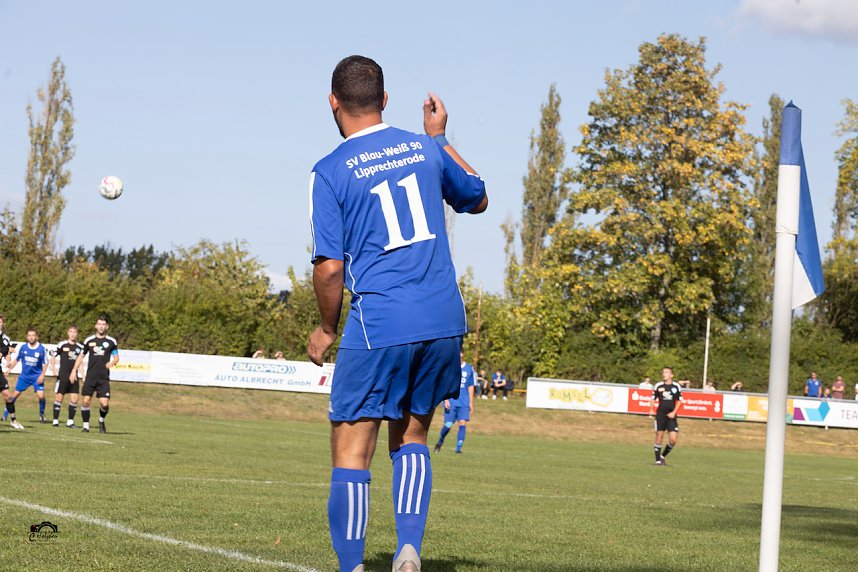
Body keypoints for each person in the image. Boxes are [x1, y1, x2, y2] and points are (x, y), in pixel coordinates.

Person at [305, 56, 487, 572]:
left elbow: (329, 269)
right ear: (385, 100)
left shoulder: (330, 171)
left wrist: (325, 328)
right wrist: (440, 136)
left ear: (333, 101)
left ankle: (352, 566)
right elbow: (477, 194)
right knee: (411, 436)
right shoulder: (425, 148)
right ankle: (408, 550)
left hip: (379, 322)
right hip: (442, 319)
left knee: (352, 445)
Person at [70, 316, 119, 434]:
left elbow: (117, 357)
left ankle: (101, 420)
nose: (101, 326)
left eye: (103, 324)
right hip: (91, 376)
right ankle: (85, 426)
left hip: (103, 378)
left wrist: (112, 363)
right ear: (96, 326)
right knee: (86, 401)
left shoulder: (111, 342)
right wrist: (74, 370)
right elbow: (81, 356)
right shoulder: (89, 341)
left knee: (104, 403)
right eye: (99, 324)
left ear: (106, 326)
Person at [434, 352, 475, 455]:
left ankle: (458, 448)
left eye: (461, 356)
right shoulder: (450, 368)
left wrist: (471, 403)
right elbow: (444, 384)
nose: (459, 358)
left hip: (464, 403)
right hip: (451, 401)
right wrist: (445, 399)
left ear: (463, 355)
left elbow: (471, 386)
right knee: (448, 425)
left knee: (462, 423)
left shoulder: (469, 369)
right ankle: (440, 440)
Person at [7, 327, 49, 424]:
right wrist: (9, 369)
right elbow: (17, 359)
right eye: (29, 335)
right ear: (27, 337)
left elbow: (46, 363)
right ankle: (6, 415)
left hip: (36, 376)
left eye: (33, 335)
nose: (31, 337)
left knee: (41, 396)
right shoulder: (24, 347)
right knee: (15, 395)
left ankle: (42, 414)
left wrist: (42, 375)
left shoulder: (41, 349)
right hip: (24, 376)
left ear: (36, 337)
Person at [50, 325, 85, 427]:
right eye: (71, 332)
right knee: (59, 397)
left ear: (77, 334)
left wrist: (83, 375)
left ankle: (70, 422)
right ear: (68, 333)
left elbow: (80, 362)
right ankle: (55, 420)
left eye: (75, 332)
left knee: (75, 398)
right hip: (63, 375)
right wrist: (53, 368)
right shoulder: (62, 345)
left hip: (74, 376)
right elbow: (53, 355)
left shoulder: (80, 347)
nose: (73, 334)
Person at [648, 366, 682, 466]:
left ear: (671, 375)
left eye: (666, 372)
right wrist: (651, 409)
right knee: (659, 435)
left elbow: (679, 400)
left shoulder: (676, 386)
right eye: (663, 372)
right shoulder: (658, 385)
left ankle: (662, 455)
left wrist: (674, 412)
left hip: (671, 415)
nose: (664, 374)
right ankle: (657, 460)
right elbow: (653, 398)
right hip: (661, 415)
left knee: (673, 439)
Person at [0, 315, 24, 430]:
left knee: (8, 396)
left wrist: (7, 364)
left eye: (0, 322)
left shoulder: (5, 338)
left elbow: (6, 352)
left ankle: (13, 420)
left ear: (3, 324)